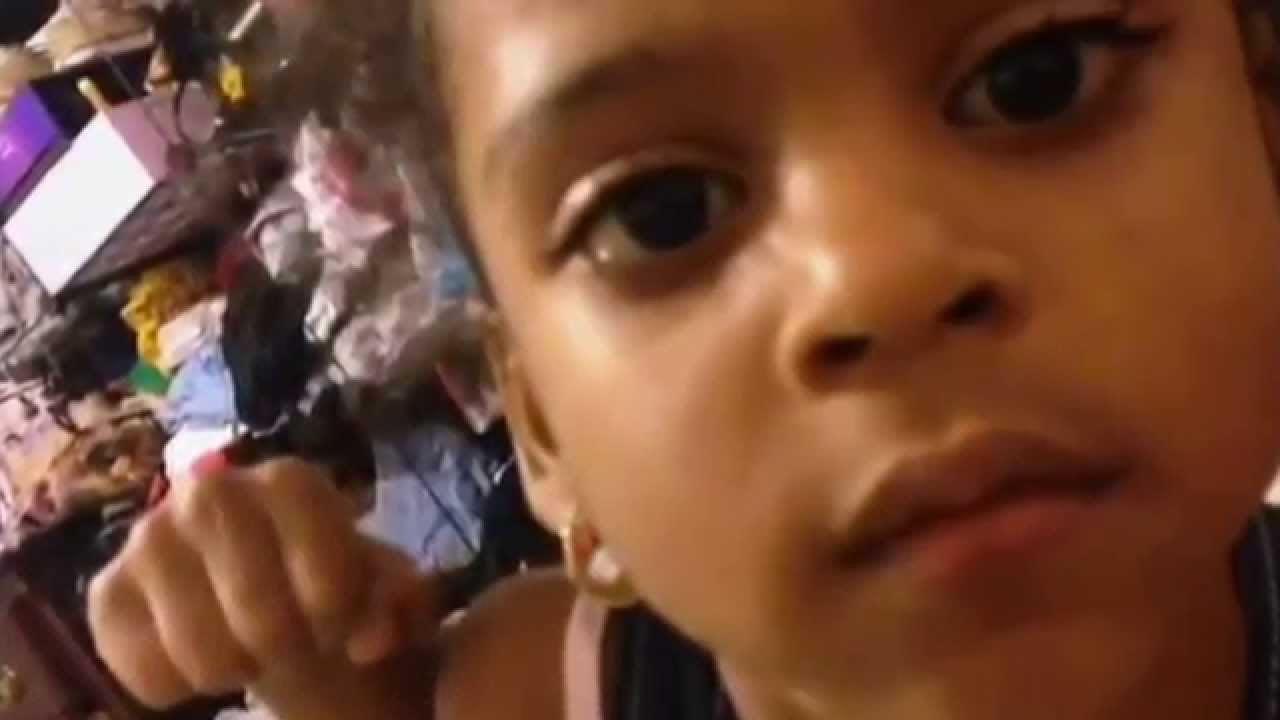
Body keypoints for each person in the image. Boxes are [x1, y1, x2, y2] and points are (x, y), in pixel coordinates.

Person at [86, 0, 1280, 718]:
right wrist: (312, 661)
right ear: (543, 427)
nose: (871, 273)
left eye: (1034, 79)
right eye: (660, 213)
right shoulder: (540, 687)